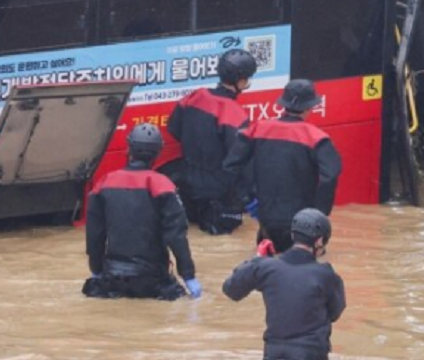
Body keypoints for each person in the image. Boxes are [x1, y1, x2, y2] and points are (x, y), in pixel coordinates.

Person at [83, 124, 202, 301]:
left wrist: (97, 271)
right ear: (157, 153)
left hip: (113, 280)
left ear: (129, 148)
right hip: (153, 281)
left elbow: (94, 235)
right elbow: (176, 236)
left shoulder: (104, 183)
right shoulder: (163, 186)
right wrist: (188, 275)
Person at [224, 79, 342, 254]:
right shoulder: (316, 138)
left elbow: (231, 166)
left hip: (266, 220)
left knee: (264, 269)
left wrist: (246, 200)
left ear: (283, 104)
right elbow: (330, 176)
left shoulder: (257, 129)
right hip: (302, 226)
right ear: (310, 107)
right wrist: (319, 214)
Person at [223, 208, 346, 360]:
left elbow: (231, 289)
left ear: (293, 235)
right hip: (311, 353)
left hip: (275, 353)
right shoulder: (326, 275)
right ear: (319, 241)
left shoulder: (266, 267)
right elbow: (335, 312)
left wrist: (257, 259)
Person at [167, 47, 256, 235]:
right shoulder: (233, 113)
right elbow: (240, 160)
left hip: (188, 187)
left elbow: (173, 128)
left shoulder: (195, 96)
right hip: (218, 194)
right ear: (241, 81)